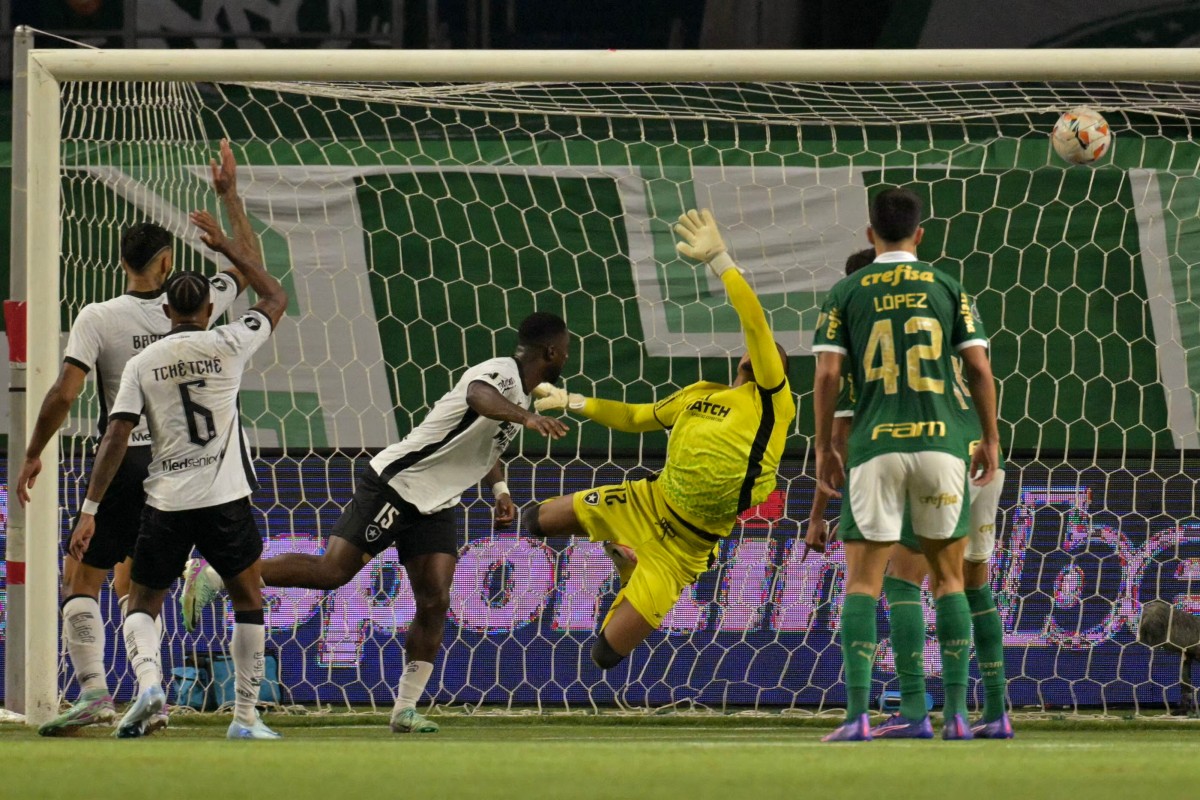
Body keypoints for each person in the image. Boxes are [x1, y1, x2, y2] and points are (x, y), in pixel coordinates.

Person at [180, 312, 572, 733]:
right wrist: (527, 418)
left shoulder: (520, 397)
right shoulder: (502, 374)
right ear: (551, 351)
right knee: (332, 572)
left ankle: (404, 708)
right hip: (397, 484)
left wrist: (500, 492)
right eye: (566, 348)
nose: (568, 355)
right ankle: (218, 575)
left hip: (436, 502)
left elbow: (484, 443)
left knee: (435, 599)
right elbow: (478, 395)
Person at [20, 140, 251, 737]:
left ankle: (98, 692)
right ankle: (154, 691)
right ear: (171, 261)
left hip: (122, 461)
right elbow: (251, 266)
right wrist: (229, 200)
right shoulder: (200, 300)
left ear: (123, 263)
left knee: (84, 579)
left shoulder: (100, 317)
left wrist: (32, 453)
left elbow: (65, 394)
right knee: (138, 584)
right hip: (183, 464)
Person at [68, 170, 289, 739]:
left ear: (166, 310)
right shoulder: (231, 342)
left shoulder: (142, 361)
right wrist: (226, 226)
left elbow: (116, 435)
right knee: (247, 596)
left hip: (163, 495)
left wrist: (89, 509)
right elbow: (271, 291)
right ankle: (244, 716)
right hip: (224, 495)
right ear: (210, 305)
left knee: (140, 597)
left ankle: (143, 686)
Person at [526, 209, 795, 670]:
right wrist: (572, 401)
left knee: (607, 653)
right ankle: (625, 554)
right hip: (649, 501)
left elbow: (755, 322)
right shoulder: (698, 395)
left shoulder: (773, 400)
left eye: (765, 351)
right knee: (536, 521)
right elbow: (635, 416)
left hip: (685, 546)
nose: (758, 351)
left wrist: (721, 260)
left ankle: (630, 569)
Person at [811, 187, 999, 742]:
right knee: (949, 580)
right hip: (943, 447)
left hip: (875, 448)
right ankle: (960, 715)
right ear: (920, 235)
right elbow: (980, 370)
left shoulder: (846, 291)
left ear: (870, 235)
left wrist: (824, 448)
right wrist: (988, 437)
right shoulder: (947, 286)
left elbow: (825, 377)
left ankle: (857, 717)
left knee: (865, 584)